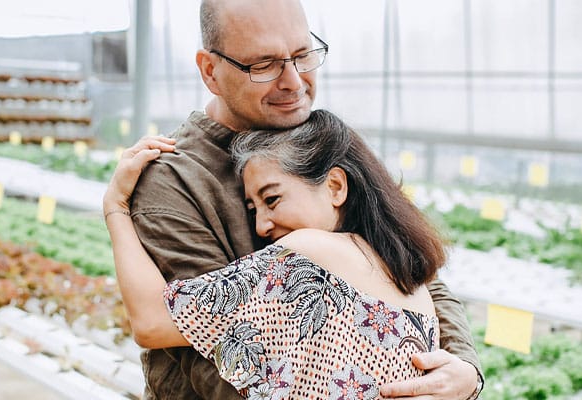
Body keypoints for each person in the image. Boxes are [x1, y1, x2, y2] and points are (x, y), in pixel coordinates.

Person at [128, 0, 483, 398]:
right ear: (210, 70)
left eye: (302, 55)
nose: (294, 83)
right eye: (263, 64)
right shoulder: (174, 178)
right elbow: (206, 352)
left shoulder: (310, 136)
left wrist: (464, 369)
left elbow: (408, 264)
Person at [105, 110, 449, 399]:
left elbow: (152, 323)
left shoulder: (308, 255)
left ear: (335, 187)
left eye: (272, 199)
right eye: (253, 209)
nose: (261, 226)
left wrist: (116, 208)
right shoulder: (415, 288)